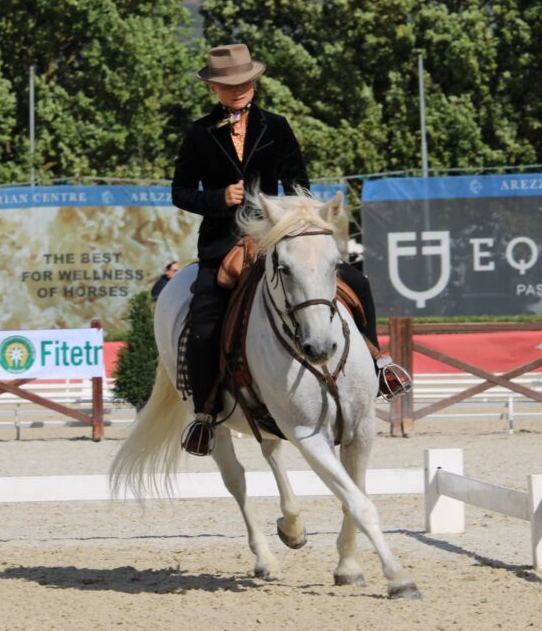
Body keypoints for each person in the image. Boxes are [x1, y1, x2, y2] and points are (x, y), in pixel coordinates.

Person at [172, 43, 411, 438]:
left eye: (245, 82)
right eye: (230, 84)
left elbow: (298, 182)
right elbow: (180, 192)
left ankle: (379, 363)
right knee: (201, 329)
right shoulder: (198, 133)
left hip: (278, 234)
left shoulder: (276, 125)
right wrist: (217, 199)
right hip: (222, 243)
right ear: (214, 88)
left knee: (360, 283)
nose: (240, 89)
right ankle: (204, 415)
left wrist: (291, 215)